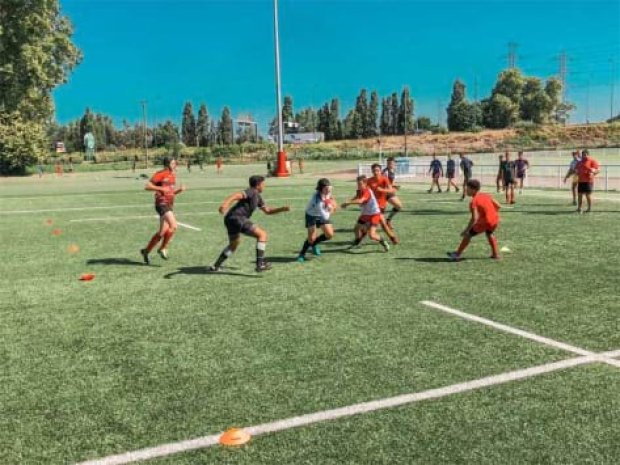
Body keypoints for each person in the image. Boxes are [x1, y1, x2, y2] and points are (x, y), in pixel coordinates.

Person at [208, 175, 290, 272]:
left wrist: (282, 209)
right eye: (263, 184)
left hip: (230, 219)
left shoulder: (257, 197)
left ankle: (216, 266)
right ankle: (260, 265)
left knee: (234, 244)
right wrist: (225, 204)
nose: (264, 186)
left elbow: (267, 211)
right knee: (262, 235)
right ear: (258, 185)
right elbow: (236, 195)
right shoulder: (251, 191)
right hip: (238, 217)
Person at [140, 157, 186, 264]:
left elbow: (170, 192)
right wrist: (160, 189)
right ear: (167, 164)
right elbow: (147, 186)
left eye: (176, 163)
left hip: (169, 204)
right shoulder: (161, 173)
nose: (175, 165)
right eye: (173, 163)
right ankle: (163, 248)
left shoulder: (173, 175)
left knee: (161, 233)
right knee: (174, 226)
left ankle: (146, 251)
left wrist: (179, 190)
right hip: (161, 204)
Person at [448, 179, 501, 261]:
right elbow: (498, 206)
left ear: (474, 190)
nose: (466, 190)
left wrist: (466, 230)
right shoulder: (486, 195)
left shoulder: (473, 202)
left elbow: (474, 218)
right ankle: (495, 254)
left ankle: (457, 254)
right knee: (489, 233)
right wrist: (490, 212)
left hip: (486, 221)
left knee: (468, 235)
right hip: (495, 219)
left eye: (467, 189)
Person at [341, 175, 390, 252]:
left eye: (360, 184)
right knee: (356, 228)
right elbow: (357, 196)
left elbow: (361, 201)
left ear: (365, 184)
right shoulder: (359, 190)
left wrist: (348, 202)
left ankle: (383, 242)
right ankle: (358, 242)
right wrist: (348, 203)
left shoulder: (367, 191)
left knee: (372, 235)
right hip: (365, 214)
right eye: (357, 184)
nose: (358, 186)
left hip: (374, 214)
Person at [296, 178, 336, 262]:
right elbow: (325, 217)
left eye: (329, 188)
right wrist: (331, 209)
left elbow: (330, 198)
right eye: (326, 189)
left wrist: (331, 202)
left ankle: (314, 244)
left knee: (329, 234)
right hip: (311, 215)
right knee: (311, 238)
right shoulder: (317, 200)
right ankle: (302, 254)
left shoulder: (327, 191)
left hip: (322, 213)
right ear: (321, 189)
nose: (328, 190)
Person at [367, 163, 399, 244]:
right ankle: (392, 237)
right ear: (371, 171)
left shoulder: (384, 179)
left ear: (380, 171)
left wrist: (382, 190)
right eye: (374, 170)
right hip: (371, 206)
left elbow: (392, 190)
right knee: (380, 223)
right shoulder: (369, 181)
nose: (375, 172)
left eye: (377, 170)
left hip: (381, 205)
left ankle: (392, 237)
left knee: (382, 222)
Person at [575, 149, 600, 214]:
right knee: (580, 195)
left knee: (587, 195)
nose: (584, 156)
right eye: (583, 155)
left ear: (588, 154)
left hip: (588, 181)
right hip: (580, 181)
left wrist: (593, 172)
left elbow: (598, 170)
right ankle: (579, 208)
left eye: (585, 155)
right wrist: (577, 172)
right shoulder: (580, 162)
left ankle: (589, 208)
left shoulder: (592, 161)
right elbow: (576, 169)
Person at [382, 157, 404, 227]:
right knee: (378, 212)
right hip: (383, 193)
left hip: (389, 192)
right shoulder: (385, 172)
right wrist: (393, 187)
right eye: (389, 163)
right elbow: (383, 183)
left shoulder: (393, 170)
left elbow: (390, 182)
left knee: (399, 206)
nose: (390, 164)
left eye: (392, 163)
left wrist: (395, 186)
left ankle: (388, 220)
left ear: (394, 164)